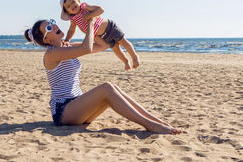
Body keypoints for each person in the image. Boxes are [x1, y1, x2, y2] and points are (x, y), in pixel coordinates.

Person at [24, 17, 181, 134]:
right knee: (106, 88)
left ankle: (156, 121)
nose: (54, 26)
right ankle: (150, 125)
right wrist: (90, 24)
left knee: (112, 88)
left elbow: (103, 45)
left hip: (79, 108)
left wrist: (90, 25)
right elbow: (86, 48)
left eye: (52, 23)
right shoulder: (52, 53)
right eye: (49, 28)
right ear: (46, 39)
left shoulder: (67, 46)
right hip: (64, 111)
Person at [60, 0, 139, 71]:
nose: (72, 5)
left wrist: (90, 14)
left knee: (123, 42)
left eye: (73, 2)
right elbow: (71, 30)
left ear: (78, 1)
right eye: (68, 6)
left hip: (110, 28)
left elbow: (100, 10)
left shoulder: (84, 7)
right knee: (116, 49)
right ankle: (125, 61)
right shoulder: (73, 19)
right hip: (101, 36)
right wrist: (67, 40)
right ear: (67, 11)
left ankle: (134, 57)